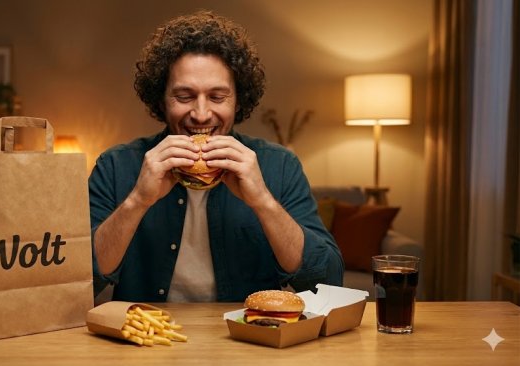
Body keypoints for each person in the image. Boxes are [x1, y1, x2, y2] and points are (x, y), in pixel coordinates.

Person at [89, 10, 343, 302]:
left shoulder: (280, 165)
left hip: (248, 339)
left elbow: (328, 283)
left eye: (217, 97)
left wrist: (262, 201)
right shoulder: (115, 165)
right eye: (184, 96)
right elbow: (81, 282)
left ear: (238, 101)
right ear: (161, 99)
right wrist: (137, 201)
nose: (200, 114)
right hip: (143, 340)